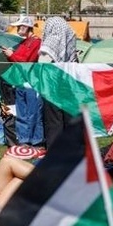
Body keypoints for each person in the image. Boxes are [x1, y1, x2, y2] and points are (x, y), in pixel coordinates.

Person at [3, 16, 44, 157]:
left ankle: (37, 142)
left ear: (26, 27)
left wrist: (11, 55)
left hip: (31, 82)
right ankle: (24, 141)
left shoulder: (36, 42)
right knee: (22, 113)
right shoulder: (25, 42)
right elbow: (18, 60)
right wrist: (10, 55)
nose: (17, 29)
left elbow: (27, 60)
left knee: (33, 113)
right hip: (21, 81)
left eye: (19, 26)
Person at [39, 17, 78, 147]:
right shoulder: (69, 39)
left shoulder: (51, 42)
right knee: (69, 119)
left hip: (53, 85)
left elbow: (42, 63)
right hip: (69, 84)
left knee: (53, 120)